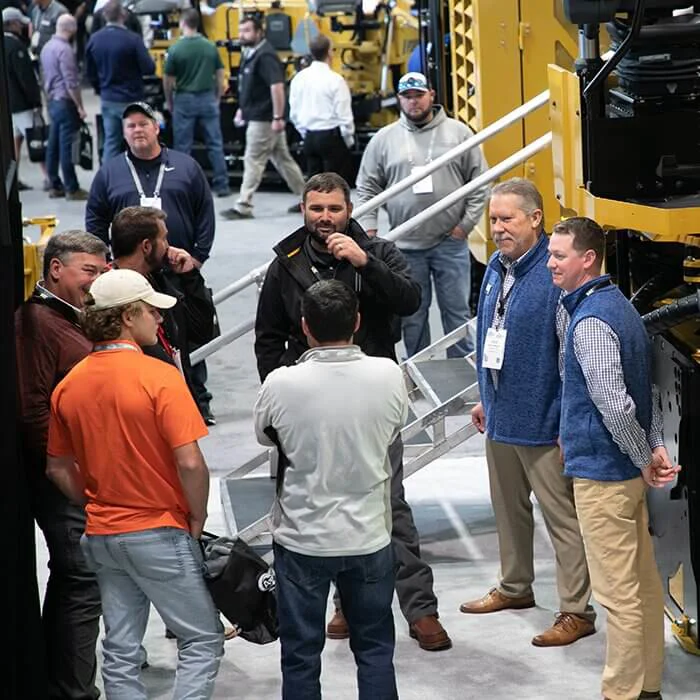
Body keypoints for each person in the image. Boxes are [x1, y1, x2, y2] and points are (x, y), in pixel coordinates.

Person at [255, 171, 452, 652]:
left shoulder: (378, 252)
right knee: (320, 502)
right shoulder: (286, 262)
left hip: (370, 399)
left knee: (390, 503)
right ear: (303, 209)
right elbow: (267, 338)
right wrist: (285, 393)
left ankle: (420, 608)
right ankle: (345, 603)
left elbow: (411, 302)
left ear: (350, 210)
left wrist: (365, 264)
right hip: (308, 404)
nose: (325, 218)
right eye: (316, 208)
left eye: (334, 209)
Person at [46, 268, 225, 699]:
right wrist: (196, 516)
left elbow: (57, 468)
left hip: (102, 534)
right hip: (158, 531)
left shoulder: (68, 386)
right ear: (128, 316)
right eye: (151, 311)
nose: (159, 320)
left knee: (121, 648)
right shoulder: (160, 377)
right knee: (202, 639)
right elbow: (190, 463)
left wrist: (95, 501)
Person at [460, 178, 596, 647]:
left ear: (535, 219)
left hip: (543, 420)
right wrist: (485, 395)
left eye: (507, 219)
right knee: (507, 509)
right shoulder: (498, 265)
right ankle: (515, 587)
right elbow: (489, 337)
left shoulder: (554, 273)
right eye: (493, 219)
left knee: (562, 519)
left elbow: (570, 355)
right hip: (500, 415)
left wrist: (565, 420)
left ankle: (577, 611)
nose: (497, 228)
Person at [255, 279, 405, 699]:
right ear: (356, 322)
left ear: (304, 326)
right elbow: (395, 428)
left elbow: (265, 437)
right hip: (369, 535)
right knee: (375, 647)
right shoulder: (388, 374)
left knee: (300, 652)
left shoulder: (280, 383)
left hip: (303, 537)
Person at [548, 216, 679, 700]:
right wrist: (651, 448)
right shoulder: (619, 305)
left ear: (588, 258)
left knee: (617, 596)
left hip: (604, 477)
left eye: (559, 256)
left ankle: (620, 693)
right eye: (549, 255)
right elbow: (643, 390)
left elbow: (614, 401)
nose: (551, 264)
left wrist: (645, 455)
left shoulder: (591, 321)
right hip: (623, 473)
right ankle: (647, 688)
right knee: (642, 587)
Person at [15, 230, 108, 700]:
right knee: (80, 578)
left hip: (80, 475)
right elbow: (33, 412)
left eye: (100, 271)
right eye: (88, 271)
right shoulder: (36, 323)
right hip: (62, 479)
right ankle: (74, 691)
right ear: (56, 269)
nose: (95, 281)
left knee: (80, 579)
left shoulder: (70, 318)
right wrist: (64, 474)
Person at [85, 100, 218, 423]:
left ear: (157, 127)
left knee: (180, 334)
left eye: (143, 123)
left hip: (172, 269)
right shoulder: (110, 172)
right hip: (128, 272)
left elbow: (205, 212)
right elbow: (95, 217)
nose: (137, 129)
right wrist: (107, 259)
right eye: (130, 125)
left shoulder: (185, 166)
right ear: (123, 133)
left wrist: (196, 261)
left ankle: (196, 398)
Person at [355, 71, 489, 359]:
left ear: (432, 95)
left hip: (449, 243)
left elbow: (480, 183)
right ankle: (418, 369)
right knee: (412, 315)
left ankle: (464, 373)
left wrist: (464, 226)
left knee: (457, 312)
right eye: (407, 97)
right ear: (400, 100)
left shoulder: (459, 134)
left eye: (419, 95)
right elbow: (366, 186)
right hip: (403, 248)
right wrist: (370, 228)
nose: (413, 102)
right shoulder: (384, 140)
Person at [110, 205, 218, 424]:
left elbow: (201, 331)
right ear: (147, 246)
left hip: (174, 403)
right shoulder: (111, 298)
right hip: (143, 414)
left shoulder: (159, 281)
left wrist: (190, 277)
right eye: (164, 239)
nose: (169, 247)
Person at [220, 14, 306, 220]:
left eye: (247, 31)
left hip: (264, 119)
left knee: (253, 159)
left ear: (259, 32)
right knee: (283, 160)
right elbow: (249, 87)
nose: (242, 35)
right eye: (241, 31)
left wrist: (278, 117)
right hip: (259, 116)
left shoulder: (266, 56)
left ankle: (244, 204)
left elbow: (277, 87)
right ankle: (308, 199)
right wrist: (243, 109)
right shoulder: (250, 53)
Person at [163, 8, 230, 197]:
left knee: (183, 146)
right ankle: (222, 184)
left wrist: (170, 102)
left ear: (183, 23)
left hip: (184, 99)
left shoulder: (175, 49)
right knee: (215, 143)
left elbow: (168, 80)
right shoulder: (209, 46)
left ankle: (183, 185)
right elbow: (219, 74)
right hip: (208, 97)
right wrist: (217, 96)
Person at [84, 0, 156, 162]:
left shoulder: (95, 40)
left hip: (109, 97)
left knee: (112, 142)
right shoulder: (133, 39)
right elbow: (148, 68)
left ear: (104, 16)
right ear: (123, 15)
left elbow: (90, 72)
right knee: (138, 142)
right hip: (132, 97)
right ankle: (140, 178)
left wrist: (100, 88)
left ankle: (109, 181)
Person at [288, 33, 354, 182]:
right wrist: (348, 139)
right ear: (330, 52)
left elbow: (294, 113)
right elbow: (344, 114)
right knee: (335, 184)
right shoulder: (335, 80)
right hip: (331, 138)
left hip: (310, 137)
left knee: (314, 185)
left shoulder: (299, 79)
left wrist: (305, 133)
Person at [40, 13, 89, 200]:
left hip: (52, 100)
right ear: (72, 29)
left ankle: (54, 183)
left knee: (53, 144)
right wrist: (80, 106)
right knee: (66, 145)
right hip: (65, 101)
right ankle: (72, 187)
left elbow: (44, 77)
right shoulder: (65, 50)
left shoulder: (47, 47)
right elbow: (71, 82)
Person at [3, 6, 44, 190]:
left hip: (9, 104)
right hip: (22, 104)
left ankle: (13, 179)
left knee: (14, 144)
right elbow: (25, 78)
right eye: (19, 23)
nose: (21, 27)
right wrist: (35, 102)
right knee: (38, 141)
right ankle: (50, 178)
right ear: (11, 24)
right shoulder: (16, 47)